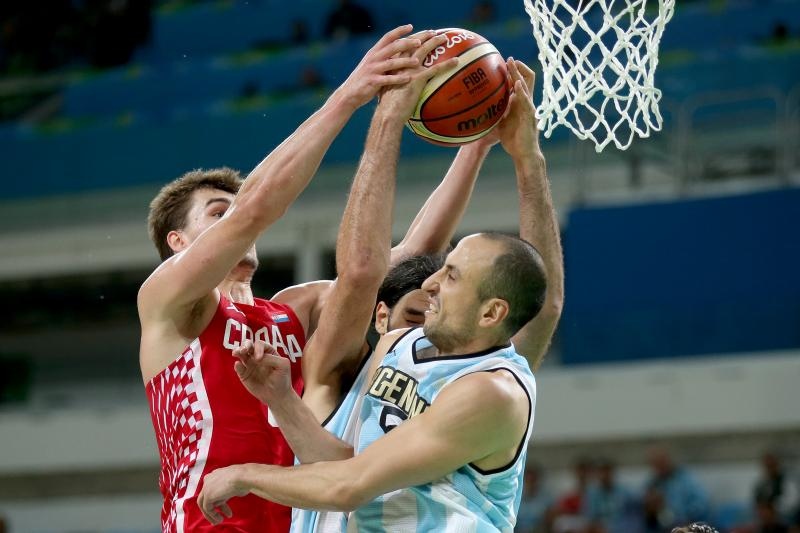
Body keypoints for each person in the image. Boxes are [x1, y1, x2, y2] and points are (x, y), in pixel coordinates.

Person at [197, 57, 565, 531]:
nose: (430, 282)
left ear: (494, 313)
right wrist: (280, 398)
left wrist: (526, 158)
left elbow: (349, 484)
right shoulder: (395, 346)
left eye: (451, 277)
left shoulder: (490, 390)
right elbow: (342, 462)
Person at [139, 26, 470, 533]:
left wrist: (476, 145)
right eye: (216, 213)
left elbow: (398, 261)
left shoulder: (292, 307)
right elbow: (255, 209)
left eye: (232, 208)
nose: (234, 220)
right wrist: (352, 93)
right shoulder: (166, 302)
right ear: (178, 244)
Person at [643, 446, 710, 533]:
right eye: (655, 464)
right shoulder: (652, 484)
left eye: (661, 462)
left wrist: (687, 518)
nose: (659, 467)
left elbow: (703, 504)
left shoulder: (686, 481)